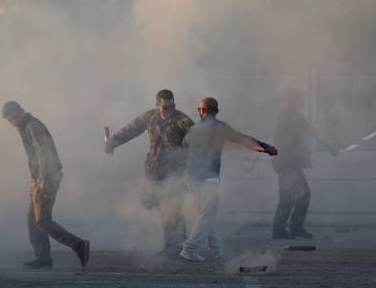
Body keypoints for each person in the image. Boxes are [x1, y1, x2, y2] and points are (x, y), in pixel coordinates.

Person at [180, 97, 277, 262]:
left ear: (202, 111)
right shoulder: (220, 127)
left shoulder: (194, 128)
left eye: (199, 110)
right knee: (206, 215)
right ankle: (189, 249)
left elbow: (184, 145)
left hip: (191, 176)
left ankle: (218, 249)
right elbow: (243, 139)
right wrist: (266, 148)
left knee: (203, 216)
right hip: (208, 177)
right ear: (216, 111)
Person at [104, 89, 194, 256]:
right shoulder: (150, 117)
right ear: (157, 105)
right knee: (151, 202)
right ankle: (174, 244)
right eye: (166, 107)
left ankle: (177, 247)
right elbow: (131, 129)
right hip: (154, 169)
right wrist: (113, 142)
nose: (170, 110)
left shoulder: (181, 119)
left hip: (175, 171)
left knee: (173, 206)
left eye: (172, 106)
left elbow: (197, 137)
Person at [2, 101, 89, 269]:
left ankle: (78, 245)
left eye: (15, 117)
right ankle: (43, 257)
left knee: (42, 221)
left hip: (47, 178)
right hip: (39, 179)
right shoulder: (24, 127)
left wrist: (43, 180)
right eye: (10, 120)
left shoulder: (32, 126)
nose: (14, 121)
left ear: (22, 111)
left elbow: (44, 153)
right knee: (32, 219)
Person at [271, 90, 336, 240]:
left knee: (294, 196)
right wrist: (329, 146)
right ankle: (287, 229)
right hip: (288, 164)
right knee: (297, 196)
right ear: (294, 101)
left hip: (287, 163)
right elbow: (312, 132)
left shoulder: (286, 115)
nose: (300, 104)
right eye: (299, 101)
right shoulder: (292, 116)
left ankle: (287, 229)